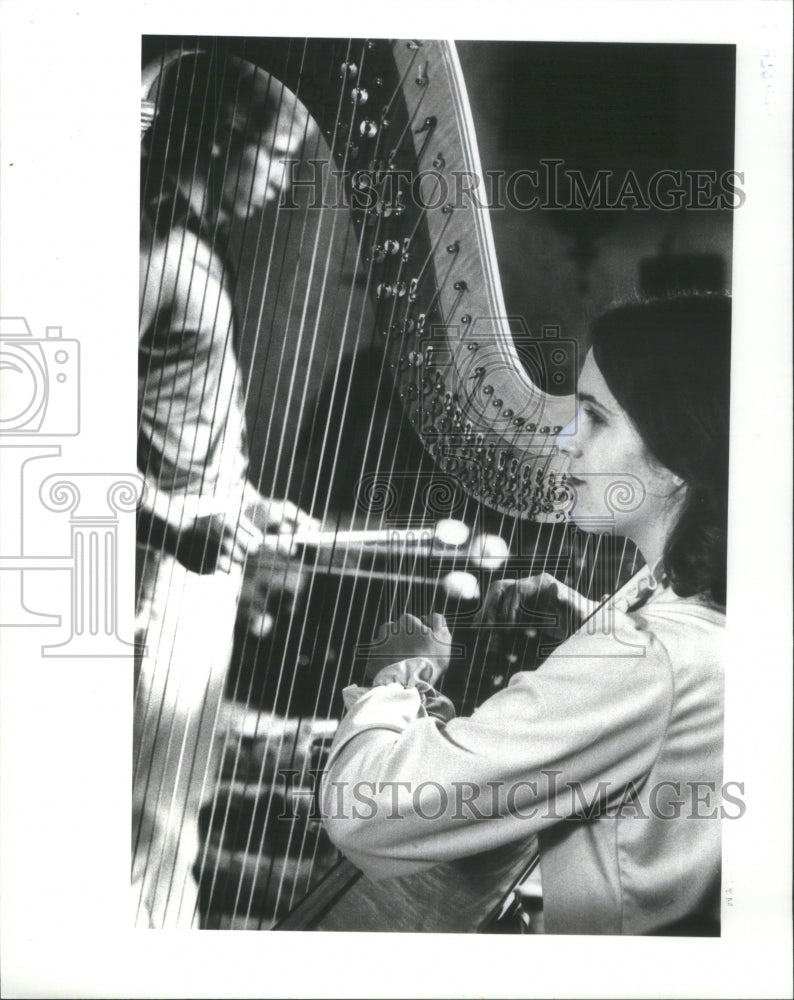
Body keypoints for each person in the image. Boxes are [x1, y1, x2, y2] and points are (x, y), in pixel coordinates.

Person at [320, 294, 730, 935]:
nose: (565, 441)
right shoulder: (702, 605)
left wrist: (396, 678)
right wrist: (589, 628)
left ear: (676, 458)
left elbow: (365, 811)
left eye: (594, 418)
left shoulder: (648, 656)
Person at [134, 51, 315, 928]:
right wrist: (174, 523)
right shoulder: (158, 248)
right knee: (144, 830)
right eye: (278, 154)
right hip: (141, 582)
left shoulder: (204, 252)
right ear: (219, 137)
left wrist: (243, 506)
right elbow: (46, 447)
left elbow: (170, 431)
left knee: (175, 825)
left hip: (193, 575)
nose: (283, 181)